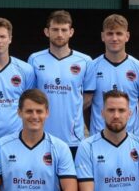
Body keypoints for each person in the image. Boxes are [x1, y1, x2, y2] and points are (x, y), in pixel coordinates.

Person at [0, 90, 78, 191]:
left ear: (47, 113)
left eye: (39, 111)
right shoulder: (2, 145)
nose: (34, 116)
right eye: (29, 111)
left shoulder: (60, 147)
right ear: (19, 112)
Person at [75, 90, 139, 191]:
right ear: (102, 113)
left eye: (121, 110)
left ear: (129, 113)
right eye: (111, 110)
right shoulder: (87, 147)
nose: (116, 115)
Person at [28, 10, 92, 156]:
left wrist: (71, 109)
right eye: (55, 30)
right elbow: (30, 96)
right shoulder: (35, 59)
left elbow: (88, 97)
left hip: (73, 138)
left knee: (71, 179)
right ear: (46, 32)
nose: (59, 34)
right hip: (41, 136)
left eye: (64, 30)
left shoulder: (85, 61)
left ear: (71, 32)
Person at [84, 14, 139, 139]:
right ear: (103, 36)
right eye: (110, 33)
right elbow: (87, 106)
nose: (114, 38)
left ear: (127, 36)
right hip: (99, 137)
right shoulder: (91, 67)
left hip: (132, 139)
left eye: (119, 33)